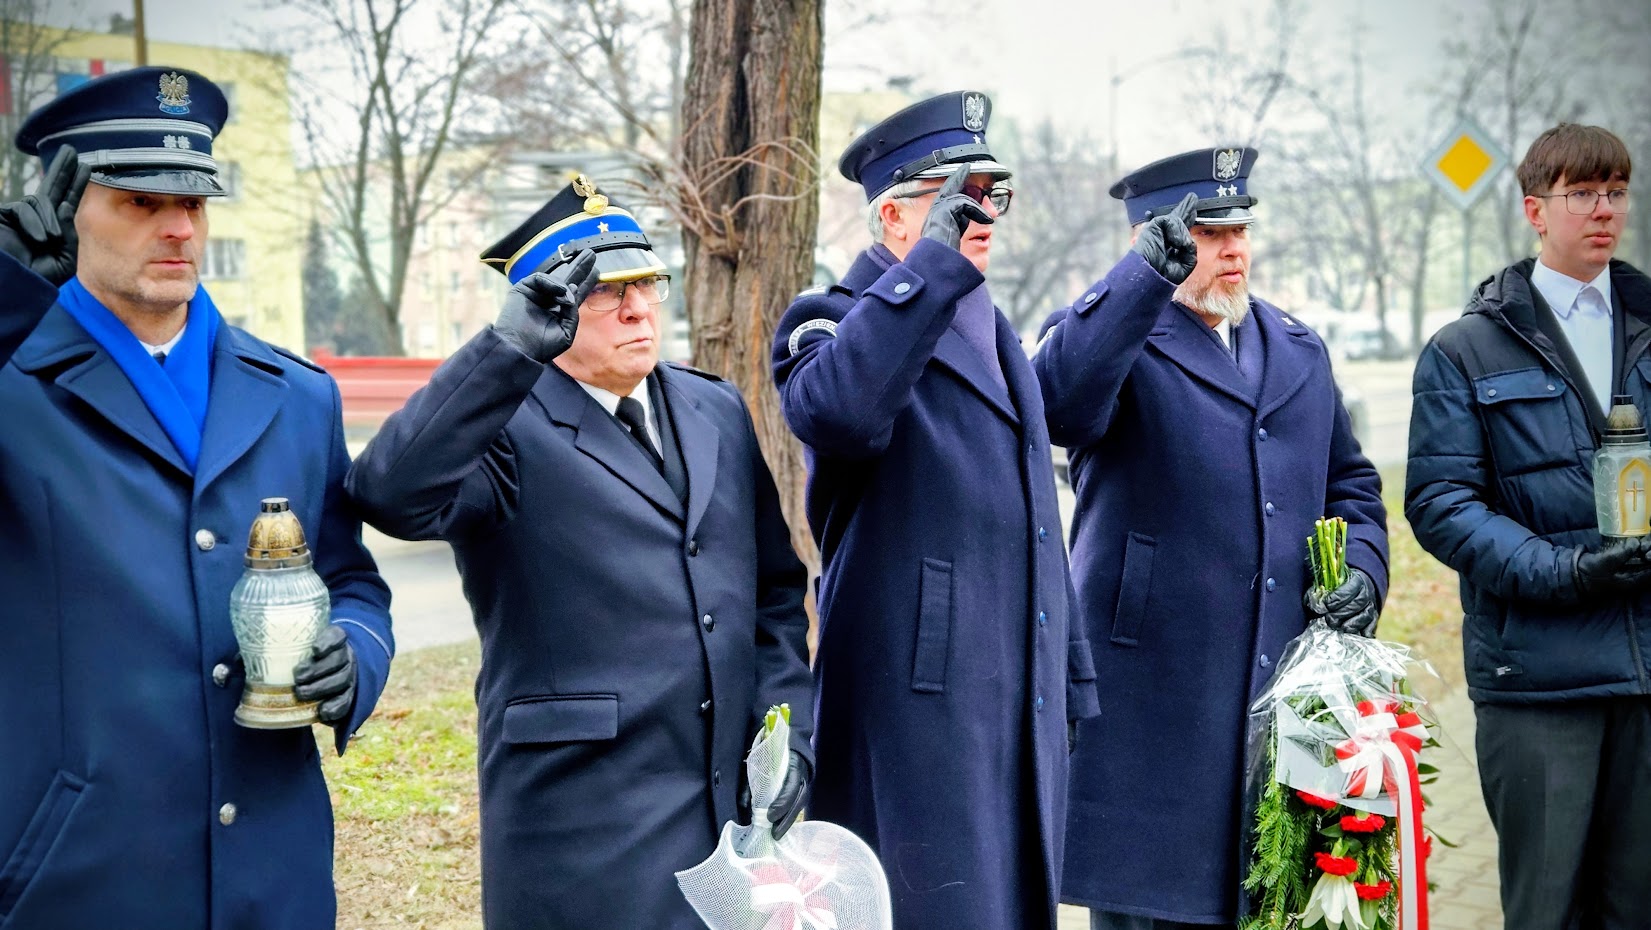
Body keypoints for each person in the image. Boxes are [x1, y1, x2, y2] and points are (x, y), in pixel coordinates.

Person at [347, 175, 814, 928]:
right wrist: (504, 352)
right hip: (583, 835)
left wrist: (791, 731)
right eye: (605, 292)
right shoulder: (500, 426)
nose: (637, 308)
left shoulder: (712, 409)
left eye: (647, 283)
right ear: (552, 310)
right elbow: (388, 495)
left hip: (728, 819)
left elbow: (773, 597)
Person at [0, 67, 393, 929]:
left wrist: (356, 656)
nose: (179, 227)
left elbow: (351, 577)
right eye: (139, 200)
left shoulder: (296, 393)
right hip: (82, 872)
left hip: (272, 870)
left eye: (194, 200)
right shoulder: (11, 380)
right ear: (67, 208)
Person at [1033, 147, 1387, 929]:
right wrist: (1138, 285)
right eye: (1209, 232)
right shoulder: (1110, 336)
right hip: (1155, 716)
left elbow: (1351, 485)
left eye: (1240, 230)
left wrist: (1360, 571)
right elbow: (1059, 406)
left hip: (1283, 707)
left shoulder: (1295, 347)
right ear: (1153, 240)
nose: (1232, 249)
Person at [771, 90, 1098, 930]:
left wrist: (1069, 673)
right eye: (960, 196)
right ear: (892, 218)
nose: (983, 212)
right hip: (917, 700)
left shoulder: (988, 325)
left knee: (1012, 899)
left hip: (1011, 688)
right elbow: (838, 411)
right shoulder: (830, 319)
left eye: (994, 193)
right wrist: (936, 269)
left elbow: (1035, 521)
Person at [1406, 123, 1651, 930]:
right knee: (1546, 909)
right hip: (1539, 682)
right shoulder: (1465, 350)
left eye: (1614, 191)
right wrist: (1565, 572)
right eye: (1580, 193)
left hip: (1647, 672)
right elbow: (1440, 502)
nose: (1602, 210)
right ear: (1534, 211)